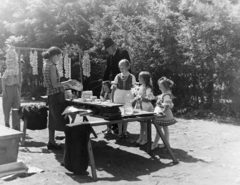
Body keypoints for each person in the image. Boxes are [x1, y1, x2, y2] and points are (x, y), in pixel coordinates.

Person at [42, 47, 73, 150]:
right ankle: (70, 142)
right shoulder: (52, 67)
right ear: (54, 55)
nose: (59, 59)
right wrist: (67, 83)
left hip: (51, 95)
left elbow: (47, 83)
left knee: (52, 118)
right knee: (64, 118)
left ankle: (51, 142)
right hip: (56, 96)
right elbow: (55, 84)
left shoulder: (46, 64)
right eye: (59, 57)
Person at [103, 37, 131, 134]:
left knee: (123, 106)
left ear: (113, 46)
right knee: (113, 104)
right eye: (106, 49)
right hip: (114, 83)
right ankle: (114, 126)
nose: (107, 50)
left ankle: (123, 128)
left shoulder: (123, 53)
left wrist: (127, 82)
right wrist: (104, 82)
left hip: (124, 83)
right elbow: (107, 71)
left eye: (108, 48)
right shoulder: (109, 57)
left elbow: (128, 68)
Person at [112, 59, 136, 138]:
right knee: (120, 114)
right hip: (118, 96)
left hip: (127, 96)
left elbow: (134, 87)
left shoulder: (132, 77)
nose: (121, 69)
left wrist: (134, 98)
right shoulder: (118, 76)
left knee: (126, 114)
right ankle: (120, 131)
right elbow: (114, 86)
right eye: (120, 67)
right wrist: (113, 87)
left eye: (122, 67)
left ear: (127, 67)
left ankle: (125, 131)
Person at [152, 77, 177, 150]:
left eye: (161, 86)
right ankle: (166, 143)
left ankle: (155, 144)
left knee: (159, 129)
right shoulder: (165, 94)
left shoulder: (166, 95)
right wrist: (155, 97)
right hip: (163, 113)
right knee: (165, 128)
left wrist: (162, 112)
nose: (159, 88)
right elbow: (160, 98)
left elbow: (166, 105)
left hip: (163, 114)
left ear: (165, 87)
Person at [131, 71, 155, 145]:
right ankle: (141, 137)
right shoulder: (141, 87)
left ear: (144, 79)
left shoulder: (148, 88)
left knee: (145, 124)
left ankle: (146, 139)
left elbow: (149, 98)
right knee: (141, 123)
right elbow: (138, 96)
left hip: (145, 106)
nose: (138, 79)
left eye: (140, 77)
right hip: (140, 106)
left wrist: (140, 98)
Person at [2, 60, 24, 130]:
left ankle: (15, 126)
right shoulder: (9, 70)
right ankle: (7, 124)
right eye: (20, 64)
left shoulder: (20, 73)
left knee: (16, 107)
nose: (21, 66)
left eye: (22, 65)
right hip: (8, 88)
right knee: (7, 108)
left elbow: (20, 83)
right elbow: (3, 80)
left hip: (15, 89)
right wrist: (4, 91)